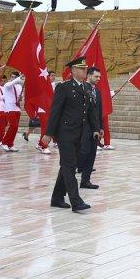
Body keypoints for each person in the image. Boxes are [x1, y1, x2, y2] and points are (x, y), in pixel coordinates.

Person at [42, 56, 100, 212]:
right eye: (82, 69)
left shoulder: (87, 88)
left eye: (85, 69)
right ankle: (76, 201)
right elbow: (55, 111)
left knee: (68, 165)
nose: (84, 71)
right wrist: (48, 133)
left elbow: (91, 111)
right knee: (69, 166)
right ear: (73, 70)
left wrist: (96, 128)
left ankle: (56, 198)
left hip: (80, 134)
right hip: (65, 133)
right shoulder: (64, 87)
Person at [77, 67, 105, 190]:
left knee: (91, 154)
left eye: (99, 77)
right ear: (89, 76)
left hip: (95, 129)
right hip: (83, 128)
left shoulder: (97, 92)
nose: (98, 79)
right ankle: (68, 177)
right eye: (96, 76)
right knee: (82, 153)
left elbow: (98, 111)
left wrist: (100, 127)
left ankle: (85, 180)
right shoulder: (82, 88)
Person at [0, 72, 24, 152]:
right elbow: (12, 83)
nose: (12, 78)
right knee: (13, 125)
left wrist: (20, 98)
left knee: (15, 128)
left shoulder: (19, 87)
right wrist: (19, 78)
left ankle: (10, 144)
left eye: (14, 77)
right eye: (12, 77)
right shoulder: (7, 85)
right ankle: (4, 142)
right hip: (9, 108)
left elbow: (20, 98)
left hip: (17, 108)